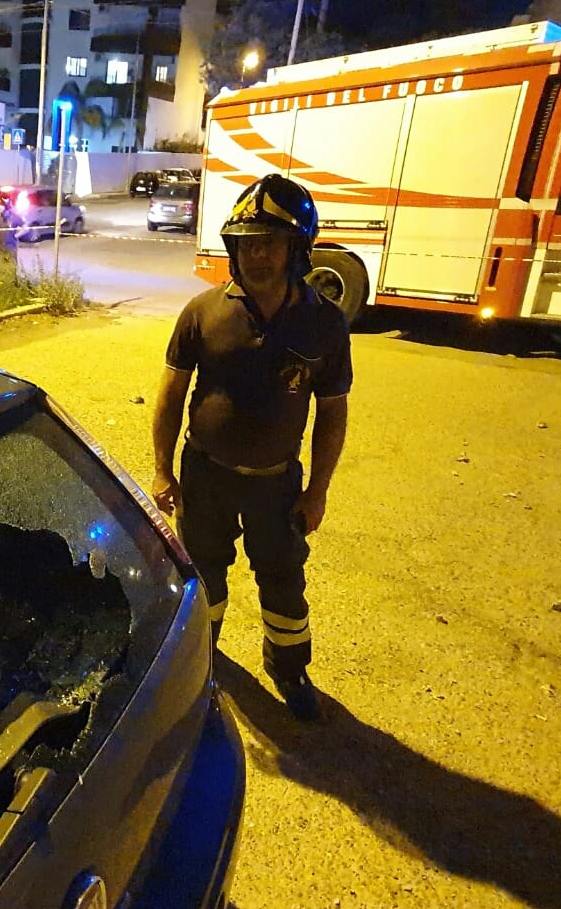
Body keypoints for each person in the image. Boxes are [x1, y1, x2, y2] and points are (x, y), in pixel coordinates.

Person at [150, 174, 352, 722]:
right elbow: (171, 396)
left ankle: (288, 669)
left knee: (284, 580)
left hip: (277, 484)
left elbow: (333, 413)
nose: (257, 254)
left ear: (297, 249)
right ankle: (200, 660)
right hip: (205, 477)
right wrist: (162, 472)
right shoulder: (202, 312)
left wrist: (318, 491)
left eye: (270, 242)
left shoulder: (325, 324)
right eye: (247, 242)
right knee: (201, 577)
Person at [0, 193, 20, 279]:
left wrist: (17, 235)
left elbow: (25, 227)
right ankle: (2, 284)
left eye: (0, 205)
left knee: (12, 268)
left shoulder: (13, 216)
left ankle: (13, 285)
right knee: (0, 268)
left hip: (11, 248)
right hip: (0, 248)